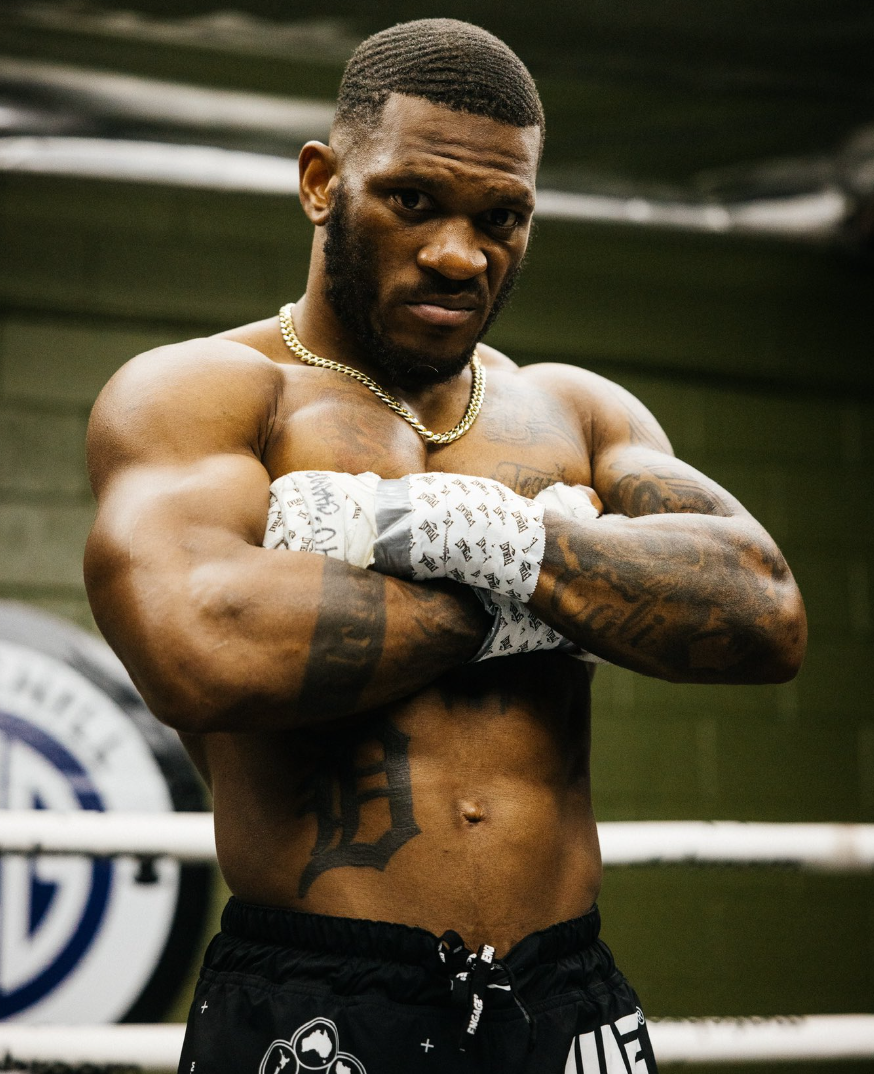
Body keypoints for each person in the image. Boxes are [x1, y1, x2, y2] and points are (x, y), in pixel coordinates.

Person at [84, 18, 806, 1074]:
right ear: (322, 182)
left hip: (565, 989)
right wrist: (561, 581)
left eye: (500, 216)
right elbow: (204, 651)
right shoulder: (205, 393)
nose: (460, 255)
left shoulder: (574, 409)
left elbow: (764, 613)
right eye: (413, 201)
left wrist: (455, 537)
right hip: (319, 989)